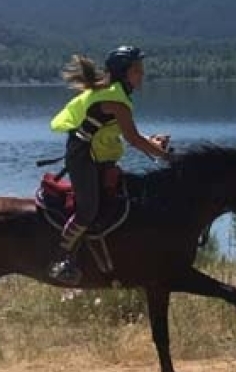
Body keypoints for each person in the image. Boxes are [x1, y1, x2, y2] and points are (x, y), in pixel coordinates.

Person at [48, 46, 172, 286]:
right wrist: (167, 157)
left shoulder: (116, 95)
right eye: (137, 70)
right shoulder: (116, 101)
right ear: (124, 73)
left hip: (96, 155)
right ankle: (61, 259)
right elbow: (134, 139)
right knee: (88, 210)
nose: (142, 75)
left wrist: (153, 142)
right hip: (83, 158)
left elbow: (125, 133)